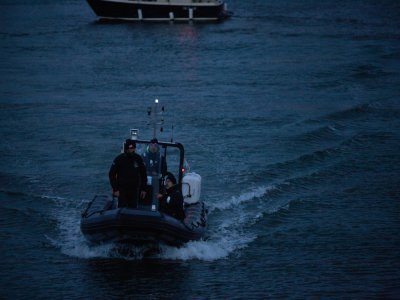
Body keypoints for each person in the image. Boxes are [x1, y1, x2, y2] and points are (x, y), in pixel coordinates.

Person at [109, 139, 147, 208]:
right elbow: (111, 174)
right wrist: (115, 189)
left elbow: (143, 174)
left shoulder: (138, 159)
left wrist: (143, 189)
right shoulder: (119, 159)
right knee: (122, 209)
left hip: (134, 190)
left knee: (133, 209)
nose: (132, 150)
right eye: (130, 148)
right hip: (122, 190)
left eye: (133, 148)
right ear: (126, 148)